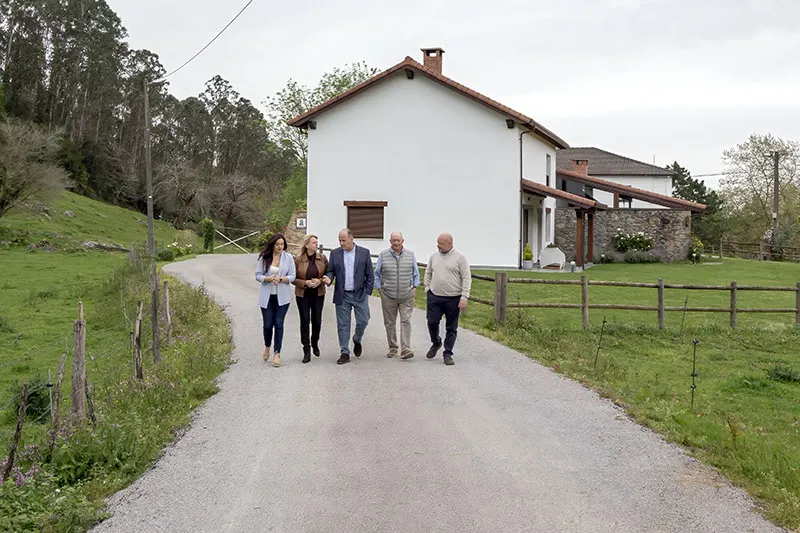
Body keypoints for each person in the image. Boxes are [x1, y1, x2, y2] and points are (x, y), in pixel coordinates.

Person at [322, 228, 374, 365]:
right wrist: (329, 278)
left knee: (363, 320)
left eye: (344, 240)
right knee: (343, 324)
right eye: (339, 240)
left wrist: (368, 291)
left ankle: (357, 338)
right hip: (342, 294)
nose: (341, 243)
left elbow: (370, 274)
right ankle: (344, 352)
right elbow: (331, 271)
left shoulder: (364, 252)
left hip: (360, 293)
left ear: (351, 239)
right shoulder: (335, 253)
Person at [424, 232, 471, 366]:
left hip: (453, 298)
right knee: (432, 322)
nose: (438, 246)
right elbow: (428, 273)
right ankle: (436, 342)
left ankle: (448, 353)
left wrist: (464, 296)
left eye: (440, 243)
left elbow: (466, 277)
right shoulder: (433, 256)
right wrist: (427, 288)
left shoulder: (460, 258)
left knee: (451, 327)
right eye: (437, 243)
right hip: (435, 296)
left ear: (449, 243)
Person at [374, 231, 420, 359]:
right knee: (390, 323)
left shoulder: (410, 255)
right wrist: (380, 290)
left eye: (398, 240)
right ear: (390, 241)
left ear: (402, 241)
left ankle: (405, 349)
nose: (396, 243)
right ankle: (393, 348)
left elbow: (416, 273)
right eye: (393, 240)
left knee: (405, 320)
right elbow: (376, 274)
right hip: (388, 295)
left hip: (406, 295)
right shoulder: (383, 255)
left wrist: (414, 287)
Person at [256, 233, 296, 367]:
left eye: (282, 244)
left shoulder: (288, 258)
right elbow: (258, 275)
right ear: (272, 245)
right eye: (277, 244)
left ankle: (277, 353)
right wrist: (268, 279)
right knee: (268, 325)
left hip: (283, 297)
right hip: (267, 297)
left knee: (278, 323)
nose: (280, 247)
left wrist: (281, 279)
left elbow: (293, 276)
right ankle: (267, 346)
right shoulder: (264, 258)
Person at [293, 234, 329, 364]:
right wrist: (305, 283)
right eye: (314, 242)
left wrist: (320, 281)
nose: (316, 244)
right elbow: (292, 278)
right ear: (307, 244)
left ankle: (315, 341)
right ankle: (306, 349)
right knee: (305, 321)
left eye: (317, 242)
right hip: (303, 294)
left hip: (318, 294)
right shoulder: (298, 260)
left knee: (317, 321)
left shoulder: (322, 258)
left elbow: (328, 274)